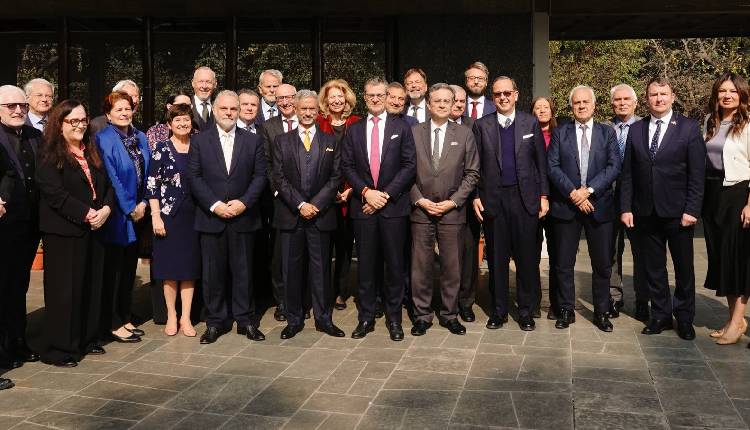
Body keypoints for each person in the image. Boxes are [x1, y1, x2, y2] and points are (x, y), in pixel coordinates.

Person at [620, 77, 705, 340]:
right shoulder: (636, 130)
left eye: (663, 94)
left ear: (672, 96)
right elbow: (628, 174)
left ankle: (685, 318)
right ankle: (660, 315)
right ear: (646, 99)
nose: (659, 99)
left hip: (679, 213)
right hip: (645, 211)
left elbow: (697, 174)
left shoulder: (689, 128)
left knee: (684, 269)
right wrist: (626, 207)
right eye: (654, 95)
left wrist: (692, 209)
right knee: (654, 268)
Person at [36, 100, 113, 367]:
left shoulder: (91, 149)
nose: (80, 125)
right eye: (73, 121)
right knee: (65, 292)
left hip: (95, 227)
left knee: (91, 284)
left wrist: (106, 209)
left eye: (83, 120)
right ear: (59, 124)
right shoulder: (48, 153)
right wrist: (87, 213)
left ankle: (86, 339)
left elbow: (108, 184)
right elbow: (53, 192)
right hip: (64, 231)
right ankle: (60, 348)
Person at [188, 90, 267, 344]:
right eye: (224, 109)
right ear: (215, 110)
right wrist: (214, 205)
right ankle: (215, 322)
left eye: (234, 109)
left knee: (244, 272)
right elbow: (194, 177)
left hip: (243, 218)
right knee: (213, 275)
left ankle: (246, 321)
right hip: (212, 218)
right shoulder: (200, 141)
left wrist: (244, 203)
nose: (229, 113)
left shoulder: (253, 141)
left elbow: (260, 176)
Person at [341, 76, 416, 341]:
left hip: (393, 208)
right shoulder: (354, 130)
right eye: (370, 95)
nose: (375, 99)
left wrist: (384, 195)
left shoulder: (402, 127)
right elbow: (347, 165)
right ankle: (366, 317)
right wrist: (366, 193)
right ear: (364, 97)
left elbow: (409, 165)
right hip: (363, 207)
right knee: (366, 266)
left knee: (394, 266)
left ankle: (394, 319)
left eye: (379, 95)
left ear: (386, 97)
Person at [472, 76, 549, 331]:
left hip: (524, 199)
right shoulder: (482, 125)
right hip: (493, 200)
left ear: (516, 94)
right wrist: (475, 196)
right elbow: (474, 165)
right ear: (493, 97)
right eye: (498, 94)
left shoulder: (530, 122)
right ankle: (499, 311)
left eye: (507, 93)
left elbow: (541, 163)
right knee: (496, 259)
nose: (503, 97)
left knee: (526, 259)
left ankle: (525, 311)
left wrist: (544, 196)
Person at [547, 86, 621, 332]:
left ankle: (601, 311)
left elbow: (614, 167)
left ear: (594, 105)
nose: (581, 106)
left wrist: (588, 191)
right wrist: (574, 194)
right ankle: (566, 309)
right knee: (563, 263)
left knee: (602, 264)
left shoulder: (607, 133)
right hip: (566, 206)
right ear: (571, 106)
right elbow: (552, 166)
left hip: (599, 206)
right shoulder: (561, 132)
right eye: (576, 102)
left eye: (585, 102)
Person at [272, 90, 345, 339]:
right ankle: (293, 319)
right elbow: (279, 178)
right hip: (292, 216)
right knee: (291, 270)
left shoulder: (330, 141)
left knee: (321, 269)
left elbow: (336, 177)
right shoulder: (281, 141)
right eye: (303, 108)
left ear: (318, 111)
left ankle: (323, 319)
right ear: (295, 109)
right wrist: (300, 204)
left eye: (312, 109)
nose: (307, 113)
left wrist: (316, 204)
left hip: (320, 216)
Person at [409, 83, 479, 336]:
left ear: (453, 105)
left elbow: (472, 173)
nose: (441, 105)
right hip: (421, 210)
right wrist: (418, 199)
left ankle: (450, 315)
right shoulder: (414, 132)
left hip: (452, 211)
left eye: (446, 101)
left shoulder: (465, 134)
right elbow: (405, 170)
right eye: (436, 101)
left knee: (452, 267)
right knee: (421, 267)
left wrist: (453, 201)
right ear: (428, 104)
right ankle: (422, 315)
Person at [97, 90, 151, 343]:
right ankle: (113, 321)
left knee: (129, 268)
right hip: (118, 214)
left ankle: (125, 314)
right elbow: (112, 177)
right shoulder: (103, 138)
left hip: (139, 212)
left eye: (127, 108)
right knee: (115, 270)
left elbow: (149, 171)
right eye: (118, 109)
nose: (124, 113)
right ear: (108, 114)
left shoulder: (140, 136)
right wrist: (130, 207)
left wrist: (143, 203)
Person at [701, 72, 750, 345]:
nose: (727, 95)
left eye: (732, 91)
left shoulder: (748, 124)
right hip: (713, 195)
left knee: (737, 259)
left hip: (738, 194)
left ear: (741, 94)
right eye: (722, 91)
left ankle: (737, 321)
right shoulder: (711, 121)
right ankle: (734, 320)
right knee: (722, 258)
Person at [147, 104, 201, 337]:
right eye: (177, 120)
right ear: (169, 124)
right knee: (169, 270)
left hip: (195, 216)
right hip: (168, 217)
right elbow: (152, 185)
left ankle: (186, 317)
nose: (182, 124)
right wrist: (156, 216)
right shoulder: (160, 148)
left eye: (186, 119)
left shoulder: (199, 146)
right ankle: (171, 314)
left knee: (189, 269)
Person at [0, 85, 43, 367]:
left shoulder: (35, 136)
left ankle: (18, 341)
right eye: (10, 106)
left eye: (22, 106)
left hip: (28, 227)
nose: (18, 110)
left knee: (19, 286)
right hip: (2, 227)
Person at [316, 79, 361, 310]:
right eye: (331, 96)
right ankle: (322, 292)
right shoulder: (317, 122)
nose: (336, 100)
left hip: (351, 194)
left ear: (347, 99)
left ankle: (340, 292)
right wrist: (330, 191)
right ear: (325, 100)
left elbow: (363, 161)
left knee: (344, 247)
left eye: (340, 96)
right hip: (323, 195)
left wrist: (351, 189)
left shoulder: (357, 123)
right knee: (323, 248)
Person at [606, 84, 647, 321]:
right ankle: (614, 297)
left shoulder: (645, 127)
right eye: (617, 100)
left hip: (638, 199)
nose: (622, 103)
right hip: (610, 197)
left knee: (641, 251)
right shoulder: (604, 128)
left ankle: (642, 299)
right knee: (611, 251)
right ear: (612, 103)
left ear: (635, 102)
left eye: (626, 99)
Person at [260, 83, 298, 322]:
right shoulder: (268, 126)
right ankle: (282, 301)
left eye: (289, 97)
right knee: (280, 253)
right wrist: (279, 192)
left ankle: (301, 298)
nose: (284, 102)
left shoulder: (308, 120)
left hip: (307, 200)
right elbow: (267, 163)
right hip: (281, 201)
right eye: (280, 98)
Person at [531, 95, 560, 320]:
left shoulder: (561, 133)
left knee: (558, 254)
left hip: (558, 201)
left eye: (546, 107)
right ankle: (533, 302)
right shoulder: (527, 133)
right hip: (532, 201)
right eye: (537, 107)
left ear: (552, 111)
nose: (542, 111)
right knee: (531, 253)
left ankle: (557, 304)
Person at [191, 66, 217, 132]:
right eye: (201, 81)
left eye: (208, 82)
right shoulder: (185, 105)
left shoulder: (221, 106)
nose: (204, 86)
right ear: (193, 83)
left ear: (215, 84)